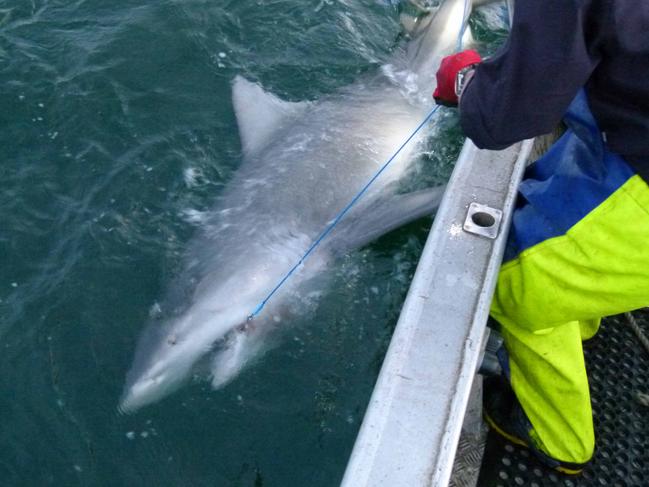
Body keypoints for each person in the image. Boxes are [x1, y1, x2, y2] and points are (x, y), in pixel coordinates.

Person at [433, 0, 649, 476]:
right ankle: (579, 309)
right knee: (552, 190)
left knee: (509, 282)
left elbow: (504, 118)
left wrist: (467, 81)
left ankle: (558, 440)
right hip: (628, 141)